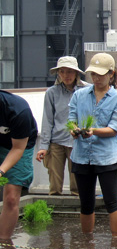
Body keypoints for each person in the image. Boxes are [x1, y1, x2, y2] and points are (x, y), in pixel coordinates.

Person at [68, 53, 117, 236]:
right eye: (93, 74)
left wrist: (93, 131)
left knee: (111, 201)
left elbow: (114, 129)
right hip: (81, 156)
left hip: (107, 157)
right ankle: (87, 241)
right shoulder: (79, 95)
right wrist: (74, 130)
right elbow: (71, 119)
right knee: (86, 203)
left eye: (101, 74)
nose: (96, 78)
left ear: (111, 74)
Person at [36, 56, 87, 196]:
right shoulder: (52, 92)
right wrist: (43, 146)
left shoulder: (87, 90)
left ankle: (79, 212)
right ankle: (53, 211)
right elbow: (47, 120)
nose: (66, 75)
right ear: (58, 73)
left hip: (78, 140)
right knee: (54, 183)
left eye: (70, 71)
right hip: (56, 141)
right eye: (62, 71)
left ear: (76, 72)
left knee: (78, 184)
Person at [0, 91, 38, 242]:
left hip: (19, 146)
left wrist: (1, 170)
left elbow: (18, 149)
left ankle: (3, 244)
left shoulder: (18, 110)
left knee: (10, 197)